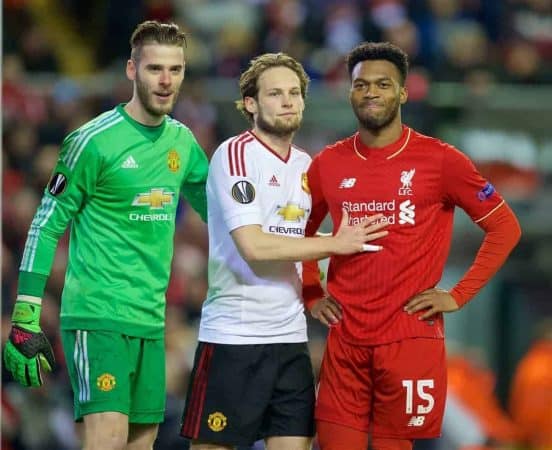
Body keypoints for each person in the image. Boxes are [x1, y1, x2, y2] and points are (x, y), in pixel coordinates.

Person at [301, 42, 522, 450]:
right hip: (344, 341)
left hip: (409, 339)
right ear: (349, 92)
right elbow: (300, 232)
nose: (371, 92)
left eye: (383, 84)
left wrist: (458, 295)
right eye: (361, 84)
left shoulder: (441, 161)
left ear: (403, 93)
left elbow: (505, 228)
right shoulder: (327, 163)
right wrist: (312, 292)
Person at [3, 20, 209, 450]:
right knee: (107, 438)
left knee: (141, 443)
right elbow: (45, 223)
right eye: (155, 68)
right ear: (132, 70)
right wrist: (25, 311)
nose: (166, 80)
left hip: (151, 321)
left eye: (176, 69)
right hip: (97, 316)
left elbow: (221, 216)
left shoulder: (184, 144)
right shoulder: (93, 141)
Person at [179, 52, 388, 450]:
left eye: (294, 93)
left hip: (290, 341)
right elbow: (255, 246)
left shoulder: (307, 165)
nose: (288, 101)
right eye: (275, 93)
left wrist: (314, 291)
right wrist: (335, 244)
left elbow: (301, 237)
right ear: (251, 104)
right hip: (233, 338)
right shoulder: (234, 155)